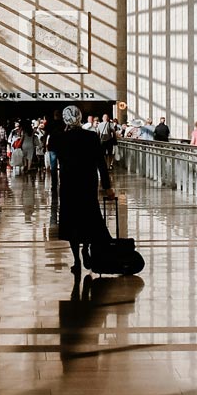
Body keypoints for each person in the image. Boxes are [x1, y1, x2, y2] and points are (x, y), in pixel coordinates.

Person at [48, 105, 110, 277]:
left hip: (69, 185)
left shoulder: (59, 138)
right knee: (88, 217)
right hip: (87, 184)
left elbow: (53, 159)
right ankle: (86, 249)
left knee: (71, 220)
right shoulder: (91, 137)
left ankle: (76, 260)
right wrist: (107, 186)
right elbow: (101, 163)